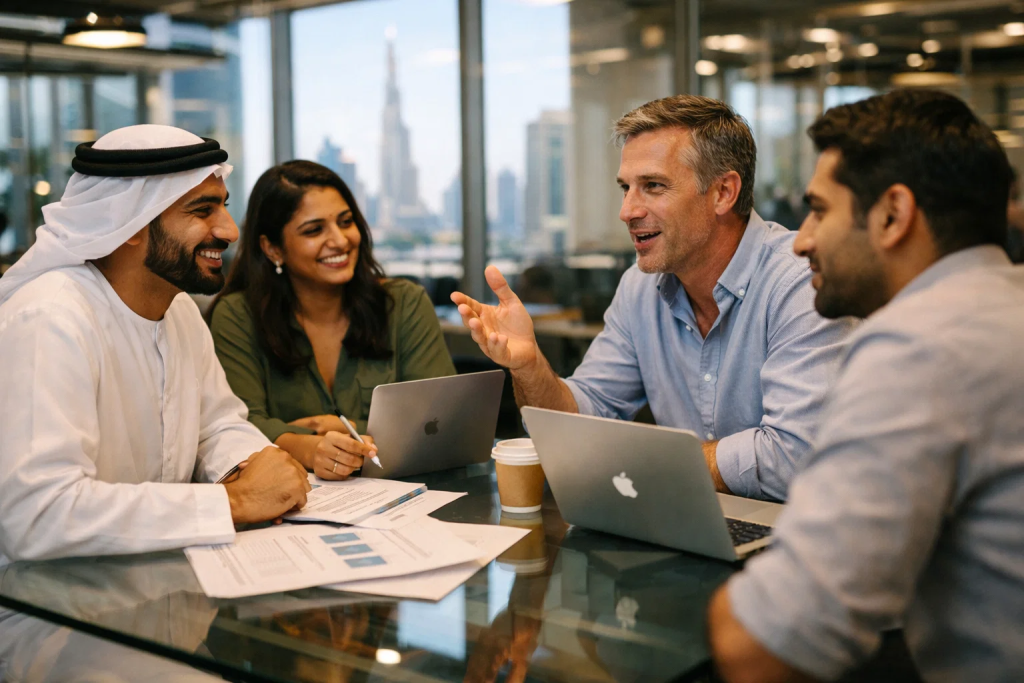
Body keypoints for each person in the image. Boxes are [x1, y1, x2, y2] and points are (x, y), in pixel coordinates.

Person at [708, 90, 1024, 681]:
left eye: (821, 210)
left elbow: (763, 647)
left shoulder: (920, 346)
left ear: (892, 215)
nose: (802, 240)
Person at [452, 95, 852, 501]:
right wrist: (529, 365)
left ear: (723, 193)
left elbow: (793, 458)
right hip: (688, 518)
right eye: (626, 188)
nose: (627, 211)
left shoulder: (802, 283)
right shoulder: (640, 288)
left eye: (653, 186)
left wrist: (651, 463)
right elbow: (580, 421)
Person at [0, 124, 311, 565]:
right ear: (128, 225)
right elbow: (37, 516)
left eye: (223, 206)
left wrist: (253, 465)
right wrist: (235, 502)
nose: (228, 230)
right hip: (51, 617)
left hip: (162, 584)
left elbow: (216, 424)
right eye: (202, 211)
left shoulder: (179, 310)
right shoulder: (50, 318)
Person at [208, 161, 455, 481]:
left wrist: (337, 427)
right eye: (314, 230)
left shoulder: (403, 303)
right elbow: (237, 426)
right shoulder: (238, 316)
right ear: (272, 249)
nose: (339, 240)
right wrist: (311, 448)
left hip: (413, 496)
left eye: (346, 221)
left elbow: (443, 421)